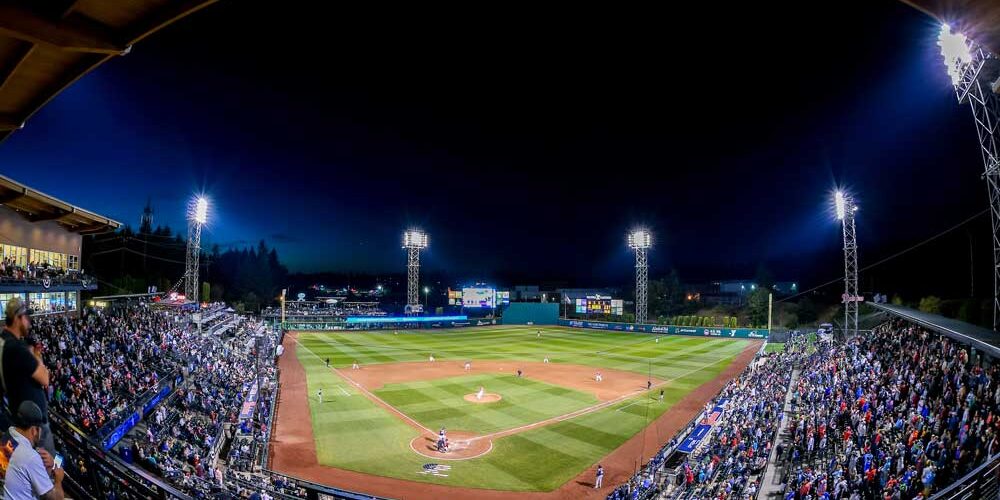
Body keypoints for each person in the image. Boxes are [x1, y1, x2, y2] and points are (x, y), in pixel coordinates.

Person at [1, 298, 53, 456]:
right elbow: (45, 379)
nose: (29, 322)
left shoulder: (5, 341)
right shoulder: (17, 348)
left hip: (20, 418)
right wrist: (36, 355)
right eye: (27, 317)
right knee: (47, 468)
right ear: (18, 318)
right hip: (33, 426)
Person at [4, 401, 64, 500]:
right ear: (33, 430)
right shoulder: (30, 457)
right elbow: (56, 498)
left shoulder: (9, 433)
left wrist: (46, 463)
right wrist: (58, 480)